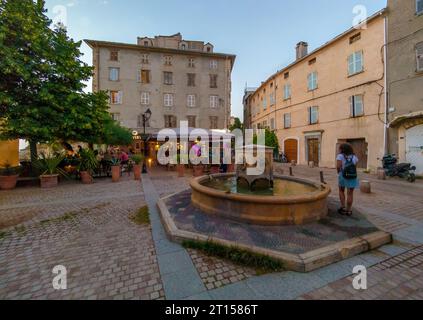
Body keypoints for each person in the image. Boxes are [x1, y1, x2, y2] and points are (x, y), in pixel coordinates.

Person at [336, 143, 359, 216]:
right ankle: (349, 210)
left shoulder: (340, 156)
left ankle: (343, 208)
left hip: (343, 175)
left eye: (340, 148)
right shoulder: (354, 157)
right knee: (350, 193)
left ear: (342, 149)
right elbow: (355, 167)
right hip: (352, 176)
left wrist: (338, 173)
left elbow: (338, 166)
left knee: (341, 190)